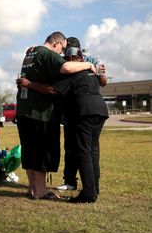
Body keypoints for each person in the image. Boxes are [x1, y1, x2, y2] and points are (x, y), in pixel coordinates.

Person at [17, 46, 108, 203]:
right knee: (93, 151)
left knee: (83, 152)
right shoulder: (91, 70)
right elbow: (103, 81)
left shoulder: (71, 73)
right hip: (100, 110)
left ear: (70, 60)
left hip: (83, 112)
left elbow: (52, 90)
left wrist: (29, 83)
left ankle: (88, 193)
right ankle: (94, 189)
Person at [57, 37, 107, 191]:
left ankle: (90, 189)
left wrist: (101, 72)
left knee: (85, 150)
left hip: (81, 109)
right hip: (72, 109)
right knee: (73, 148)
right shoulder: (63, 60)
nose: (67, 55)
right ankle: (72, 181)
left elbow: (103, 81)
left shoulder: (89, 59)